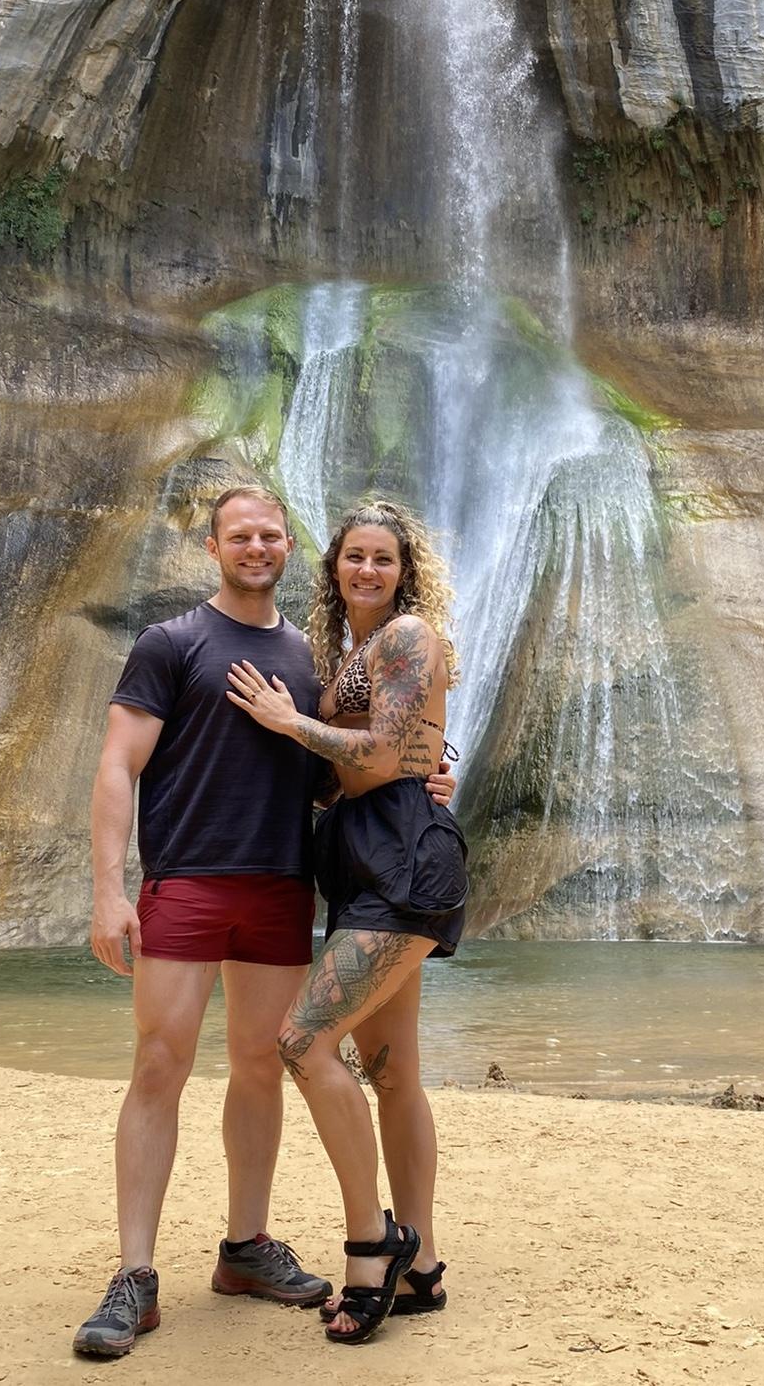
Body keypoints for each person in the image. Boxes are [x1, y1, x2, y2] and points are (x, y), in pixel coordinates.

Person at [73, 485, 455, 1359]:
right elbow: (117, 765)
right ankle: (134, 1273)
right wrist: (107, 890)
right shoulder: (171, 643)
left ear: (289, 548)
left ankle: (246, 1246)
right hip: (189, 879)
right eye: (240, 536)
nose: (256, 547)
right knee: (160, 1062)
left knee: (264, 1062)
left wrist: (430, 772)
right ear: (213, 546)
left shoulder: (310, 659)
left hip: (287, 884)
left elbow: (353, 762)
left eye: (270, 536)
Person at [225, 498, 466, 1345]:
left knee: (301, 1042)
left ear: (405, 571)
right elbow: (362, 767)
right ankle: (422, 1265)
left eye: (383, 558)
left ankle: (375, 1245)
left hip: (403, 859)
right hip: (363, 859)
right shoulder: (347, 655)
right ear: (334, 567)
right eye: (354, 556)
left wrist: (290, 722)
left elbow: (386, 754)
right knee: (393, 1073)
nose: (367, 569)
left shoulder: (405, 636)